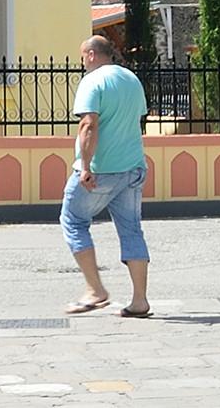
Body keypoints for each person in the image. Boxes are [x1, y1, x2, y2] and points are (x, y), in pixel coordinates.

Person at [61, 33, 150, 319]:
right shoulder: (131, 80)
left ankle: (95, 289)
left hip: (101, 170)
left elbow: (88, 124)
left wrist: (85, 166)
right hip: (133, 167)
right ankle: (139, 300)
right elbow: (137, 120)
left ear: (89, 55)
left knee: (73, 220)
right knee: (131, 229)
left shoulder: (93, 81)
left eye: (81, 58)